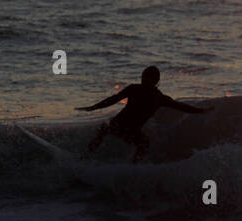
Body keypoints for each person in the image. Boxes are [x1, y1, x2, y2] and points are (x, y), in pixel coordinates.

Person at [77, 66, 210, 162]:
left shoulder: (158, 97)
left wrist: (200, 111)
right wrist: (94, 107)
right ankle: (86, 156)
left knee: (143, 142)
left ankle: (132, 166)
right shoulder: (138, 90)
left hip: (129, 130)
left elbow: (182, 107)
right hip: (120, 125)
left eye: (147, 78)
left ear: (155, 81)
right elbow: (113, 99)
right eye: (143, 78)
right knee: (111, 130)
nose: (144, 80)